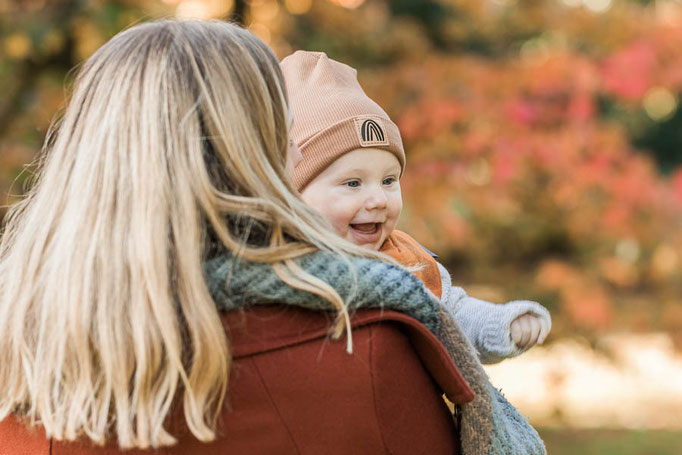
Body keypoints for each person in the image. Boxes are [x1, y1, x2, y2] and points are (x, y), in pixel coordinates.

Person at [0, 20, 545, 455]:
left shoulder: (21, 353)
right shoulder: (366, 345)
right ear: (256, 158)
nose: (297, 155)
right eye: (282, 136)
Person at [282, 51, 552, 364]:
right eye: (353, 184)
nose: (379, 199)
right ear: (293, 193)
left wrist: (503, 324)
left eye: (388, 181)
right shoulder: (278, 261)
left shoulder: (407, 262)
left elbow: (454, 316)